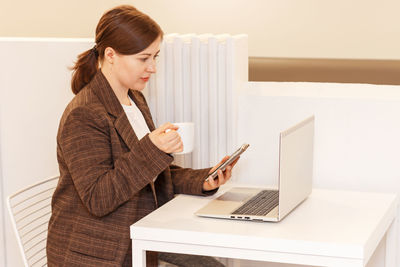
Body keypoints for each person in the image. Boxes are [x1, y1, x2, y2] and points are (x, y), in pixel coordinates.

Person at [46, 5, 238, 267]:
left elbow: (149, 176)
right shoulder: (85, 114)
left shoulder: (134, 98)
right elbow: (98, 198)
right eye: (143, 58)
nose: (153, 68)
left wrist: (203, 180)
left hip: (137, 236)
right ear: (111, 55)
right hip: (100, 252)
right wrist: (152, 148)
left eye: (155, 57)